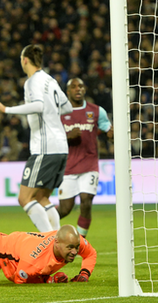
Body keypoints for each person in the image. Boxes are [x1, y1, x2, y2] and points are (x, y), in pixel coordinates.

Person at [0, 44, 73, 232]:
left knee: (24, 198)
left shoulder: (32, 81)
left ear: (25, 60)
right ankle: (57, 240)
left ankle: (49, 242)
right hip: (60, 147)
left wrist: (6, 109)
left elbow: (39, 106)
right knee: (42, 198)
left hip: (45, 148)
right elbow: (67, 108)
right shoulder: (51, 81)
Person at [57, 78, 113, 237]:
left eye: (80, 86)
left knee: (86, 200)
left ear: (84, 90)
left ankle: (80, 242)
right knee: (65, 209)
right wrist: (68, 136)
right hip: (67, 167)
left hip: (89, 165)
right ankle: (44, 222)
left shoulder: (96, 111)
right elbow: (50, 138)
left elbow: (107, 130)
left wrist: (111, 134)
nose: (78, 89)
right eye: (73, 87)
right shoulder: (59, 113)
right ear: (67, 92)